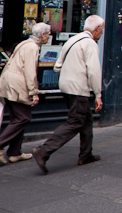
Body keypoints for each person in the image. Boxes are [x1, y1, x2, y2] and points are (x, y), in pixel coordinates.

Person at [33, 15, 104, 174]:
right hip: (78, 88)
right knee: (75, 122)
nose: (102, 33)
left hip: (65, 85)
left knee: (86, 120)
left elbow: (57, 66)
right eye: (102, 29)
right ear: (97, 28)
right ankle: (43, 151)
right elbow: (93, 71)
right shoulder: (90, 43)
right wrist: (98, 94)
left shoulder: (72, 40)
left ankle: (85, 155)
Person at [0, 23, 51, 165]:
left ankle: (14, 153)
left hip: (8, 82)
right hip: (17, 84)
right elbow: (30, 71)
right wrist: (34, 92)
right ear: (42, 35)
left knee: (17, 118)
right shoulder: (33, 47)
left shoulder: (24, 43)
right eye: (48, 34)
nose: (49, 37)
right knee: (23, 118)